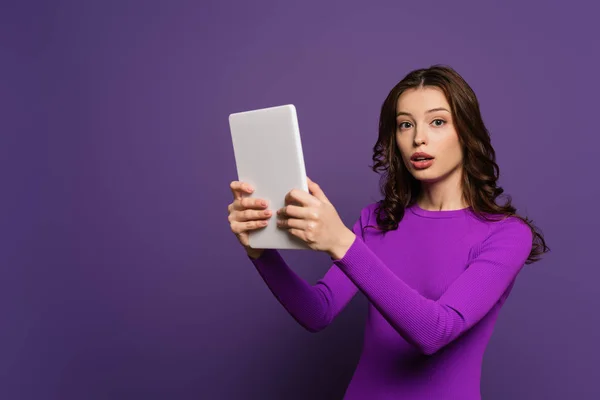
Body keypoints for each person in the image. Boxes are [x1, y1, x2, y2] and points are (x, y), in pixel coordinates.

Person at [226, 65, 549, 400]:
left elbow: (436, 332)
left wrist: (341, 242)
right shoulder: (378, 221)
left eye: (437, 121)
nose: (418, 138)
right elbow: (317, 311)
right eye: (405, 124)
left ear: (467, 132)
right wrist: (261, 253)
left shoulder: (507, 235)